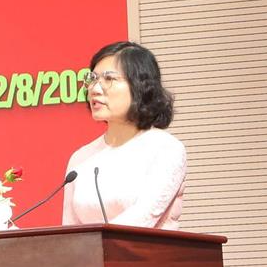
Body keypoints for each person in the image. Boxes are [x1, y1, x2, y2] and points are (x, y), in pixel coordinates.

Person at [61, 41, 186, 229]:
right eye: (92, 78)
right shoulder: (80, 158)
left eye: (109, 79)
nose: (94, 89)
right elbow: (70, 231)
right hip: (90, 249)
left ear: (140, 86)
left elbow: (142, 219)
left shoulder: (165, 149)